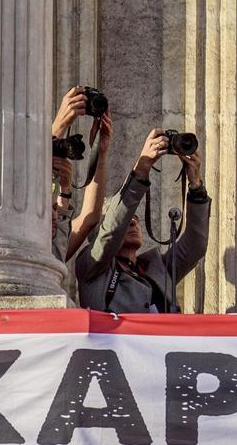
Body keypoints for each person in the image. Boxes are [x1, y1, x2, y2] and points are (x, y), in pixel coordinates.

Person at [75, 128, 210, 313]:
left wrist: (196, 186)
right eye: (127, 219)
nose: (133, 222)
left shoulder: (156, 268)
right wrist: (142, 167)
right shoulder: (91, 266)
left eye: (136, 218)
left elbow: (196, 245)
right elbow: (113, 229)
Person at [50, 86, 112, 262]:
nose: (55, 216)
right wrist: (59, 126)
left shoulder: (54, 250)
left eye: (55, 209)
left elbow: (89, 218)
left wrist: (99, 153)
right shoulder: (24, 240)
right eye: (51, 210)